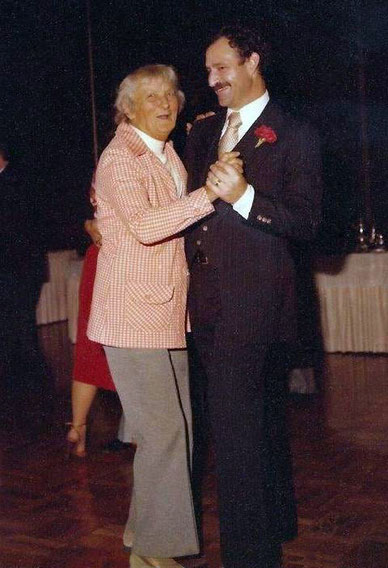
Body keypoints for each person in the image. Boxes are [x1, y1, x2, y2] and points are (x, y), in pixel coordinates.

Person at [87, 64, 241, 568]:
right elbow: (149, 226)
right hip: (132, 316)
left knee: (174, 431)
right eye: (151, 97)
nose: (165, 104)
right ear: (128, 108)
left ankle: (140, 531)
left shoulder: (165, 151)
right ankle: (153, 555)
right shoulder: (120, 158)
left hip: (167, 313)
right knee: (166, 434)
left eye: (170, 95)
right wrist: (210, 195)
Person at [184, 25, 322, 568]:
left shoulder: (294, 132)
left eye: (222, 68)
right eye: (208, 70)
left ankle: (250, 556)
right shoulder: (201, 133)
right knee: (255, 426)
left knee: (239, 439)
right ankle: (275, 526)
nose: (212, 79)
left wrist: (244, 196)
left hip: (259, 308)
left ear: (253, 62)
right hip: (208, 306)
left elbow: (308, 222)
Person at [66, 179, 129, 458]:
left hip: (98, 260)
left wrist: (91, 225)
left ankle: (77, 429)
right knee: (132, 348)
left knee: (89, 348)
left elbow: (97, 216)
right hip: (122, 262)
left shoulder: (105, 171)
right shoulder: (129, 169)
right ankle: (139, 433)